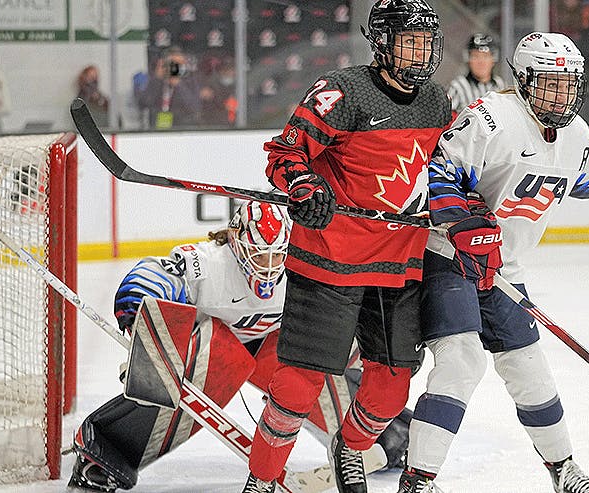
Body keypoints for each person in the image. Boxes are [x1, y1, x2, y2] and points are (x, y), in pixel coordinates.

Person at [399, 32, 589, 493]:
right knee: (462, 361)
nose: (560, 94)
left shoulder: (574, 134)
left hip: (504, 269)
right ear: (526, 81)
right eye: (549, 83)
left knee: (529, 366)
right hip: (447, 258)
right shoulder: (492, 118)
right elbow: (438, 169)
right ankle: (418, 480)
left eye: (568, 84)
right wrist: (462, 223)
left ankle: (564, 470)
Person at [239, 1, 451, 492]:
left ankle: (349, 448)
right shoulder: (342, 92)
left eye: (426, 43)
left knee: (391, 389)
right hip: (330, 261)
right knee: (297, 386)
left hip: (399, 264)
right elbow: (286, 153)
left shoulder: (437, 102)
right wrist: (304, 187)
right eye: (408, 41)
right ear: (381, 42)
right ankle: (263, 479)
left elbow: (447, 174)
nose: (419, 54)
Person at [65, 201, 410, 492]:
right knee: (216, 356)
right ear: (235, 242)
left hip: (273, 346)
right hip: (216, 349)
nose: (270, 267)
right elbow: (146, 280)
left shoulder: (303, 264)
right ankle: (106, 450)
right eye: (261, 256)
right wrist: (146, 337)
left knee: (313, 355)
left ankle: (390, 433)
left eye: (278, 256)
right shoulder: (207, 264)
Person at [136, 46, 202, 129]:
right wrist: (157, 79)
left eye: (179, 64)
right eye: (172, 63)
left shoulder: (190, 81)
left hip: (183, 128)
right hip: (158, 128)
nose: (174, 68)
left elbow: (194, 107)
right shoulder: (155, 80)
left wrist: (178, 85)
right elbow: (143, 103)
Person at [447, 33, 506, 114]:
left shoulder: (500, 84)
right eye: (475, 56)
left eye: (485, 56)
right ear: (468, 60)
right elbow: (447, 121)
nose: (481, 62)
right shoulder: (457, 86)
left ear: (493, 60)